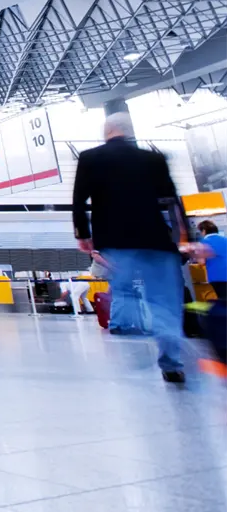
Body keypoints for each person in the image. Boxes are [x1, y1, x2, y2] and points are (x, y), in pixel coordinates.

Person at [73, 112, 189, 384]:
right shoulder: (154, 159)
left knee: (124, 290)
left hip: (116, 241)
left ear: (107, 131)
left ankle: (125, 328)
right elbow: (172, 200)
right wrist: (186, 237)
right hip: (156, 240)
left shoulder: (91, 158)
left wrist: (83, 234)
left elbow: (80, 199)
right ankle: (171, 357)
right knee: (165, 302)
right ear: (130, 131)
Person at [199, 221, 227, 300]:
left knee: (223, 301)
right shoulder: (226, 239)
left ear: (204, 231)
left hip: (217, 277)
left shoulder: (203, 243)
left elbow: (201, 262)